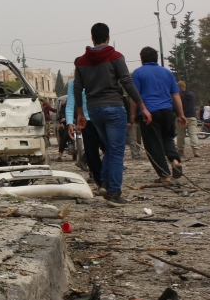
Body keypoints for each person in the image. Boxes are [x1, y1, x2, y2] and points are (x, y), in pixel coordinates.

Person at [73, 23, 145, 204]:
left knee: (110, 147)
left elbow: (77, 88)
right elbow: (127, 83)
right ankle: (114, 191)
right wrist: (142, 106)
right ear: (108, 38)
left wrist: (80, 113)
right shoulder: (116, 57)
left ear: (92, 38)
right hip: (114, 107)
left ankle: (104, 182)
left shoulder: (81, 61)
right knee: (116, 149)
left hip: (94, 110)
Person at [132, 48, 187, 182]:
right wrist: (181, 114)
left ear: (142, 58)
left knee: (153, 144)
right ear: (156, 58)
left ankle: (164, 176)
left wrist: (133, 113)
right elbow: (175, 94)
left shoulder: (138, 73)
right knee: (167, 139)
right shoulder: (167, 73)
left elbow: (135, 96)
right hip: (167, 111)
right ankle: (175, 161)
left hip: (148, 113)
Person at [67, 78, 105, 188]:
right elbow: (70, 104)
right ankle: (100, 182)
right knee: (91, 153)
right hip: (86, 122)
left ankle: (106, 176)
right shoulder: (73, 84)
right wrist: (70, 122)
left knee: (109, 149)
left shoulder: (98, 76)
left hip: (102, 119)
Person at [176, 81, 200, 158]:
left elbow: (174, 106)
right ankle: (195, 149)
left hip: (180, 117)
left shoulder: (177, 95)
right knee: (193, 134)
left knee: (180, 135)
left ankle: (181, 151)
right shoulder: (192, 94)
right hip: (192, 117)